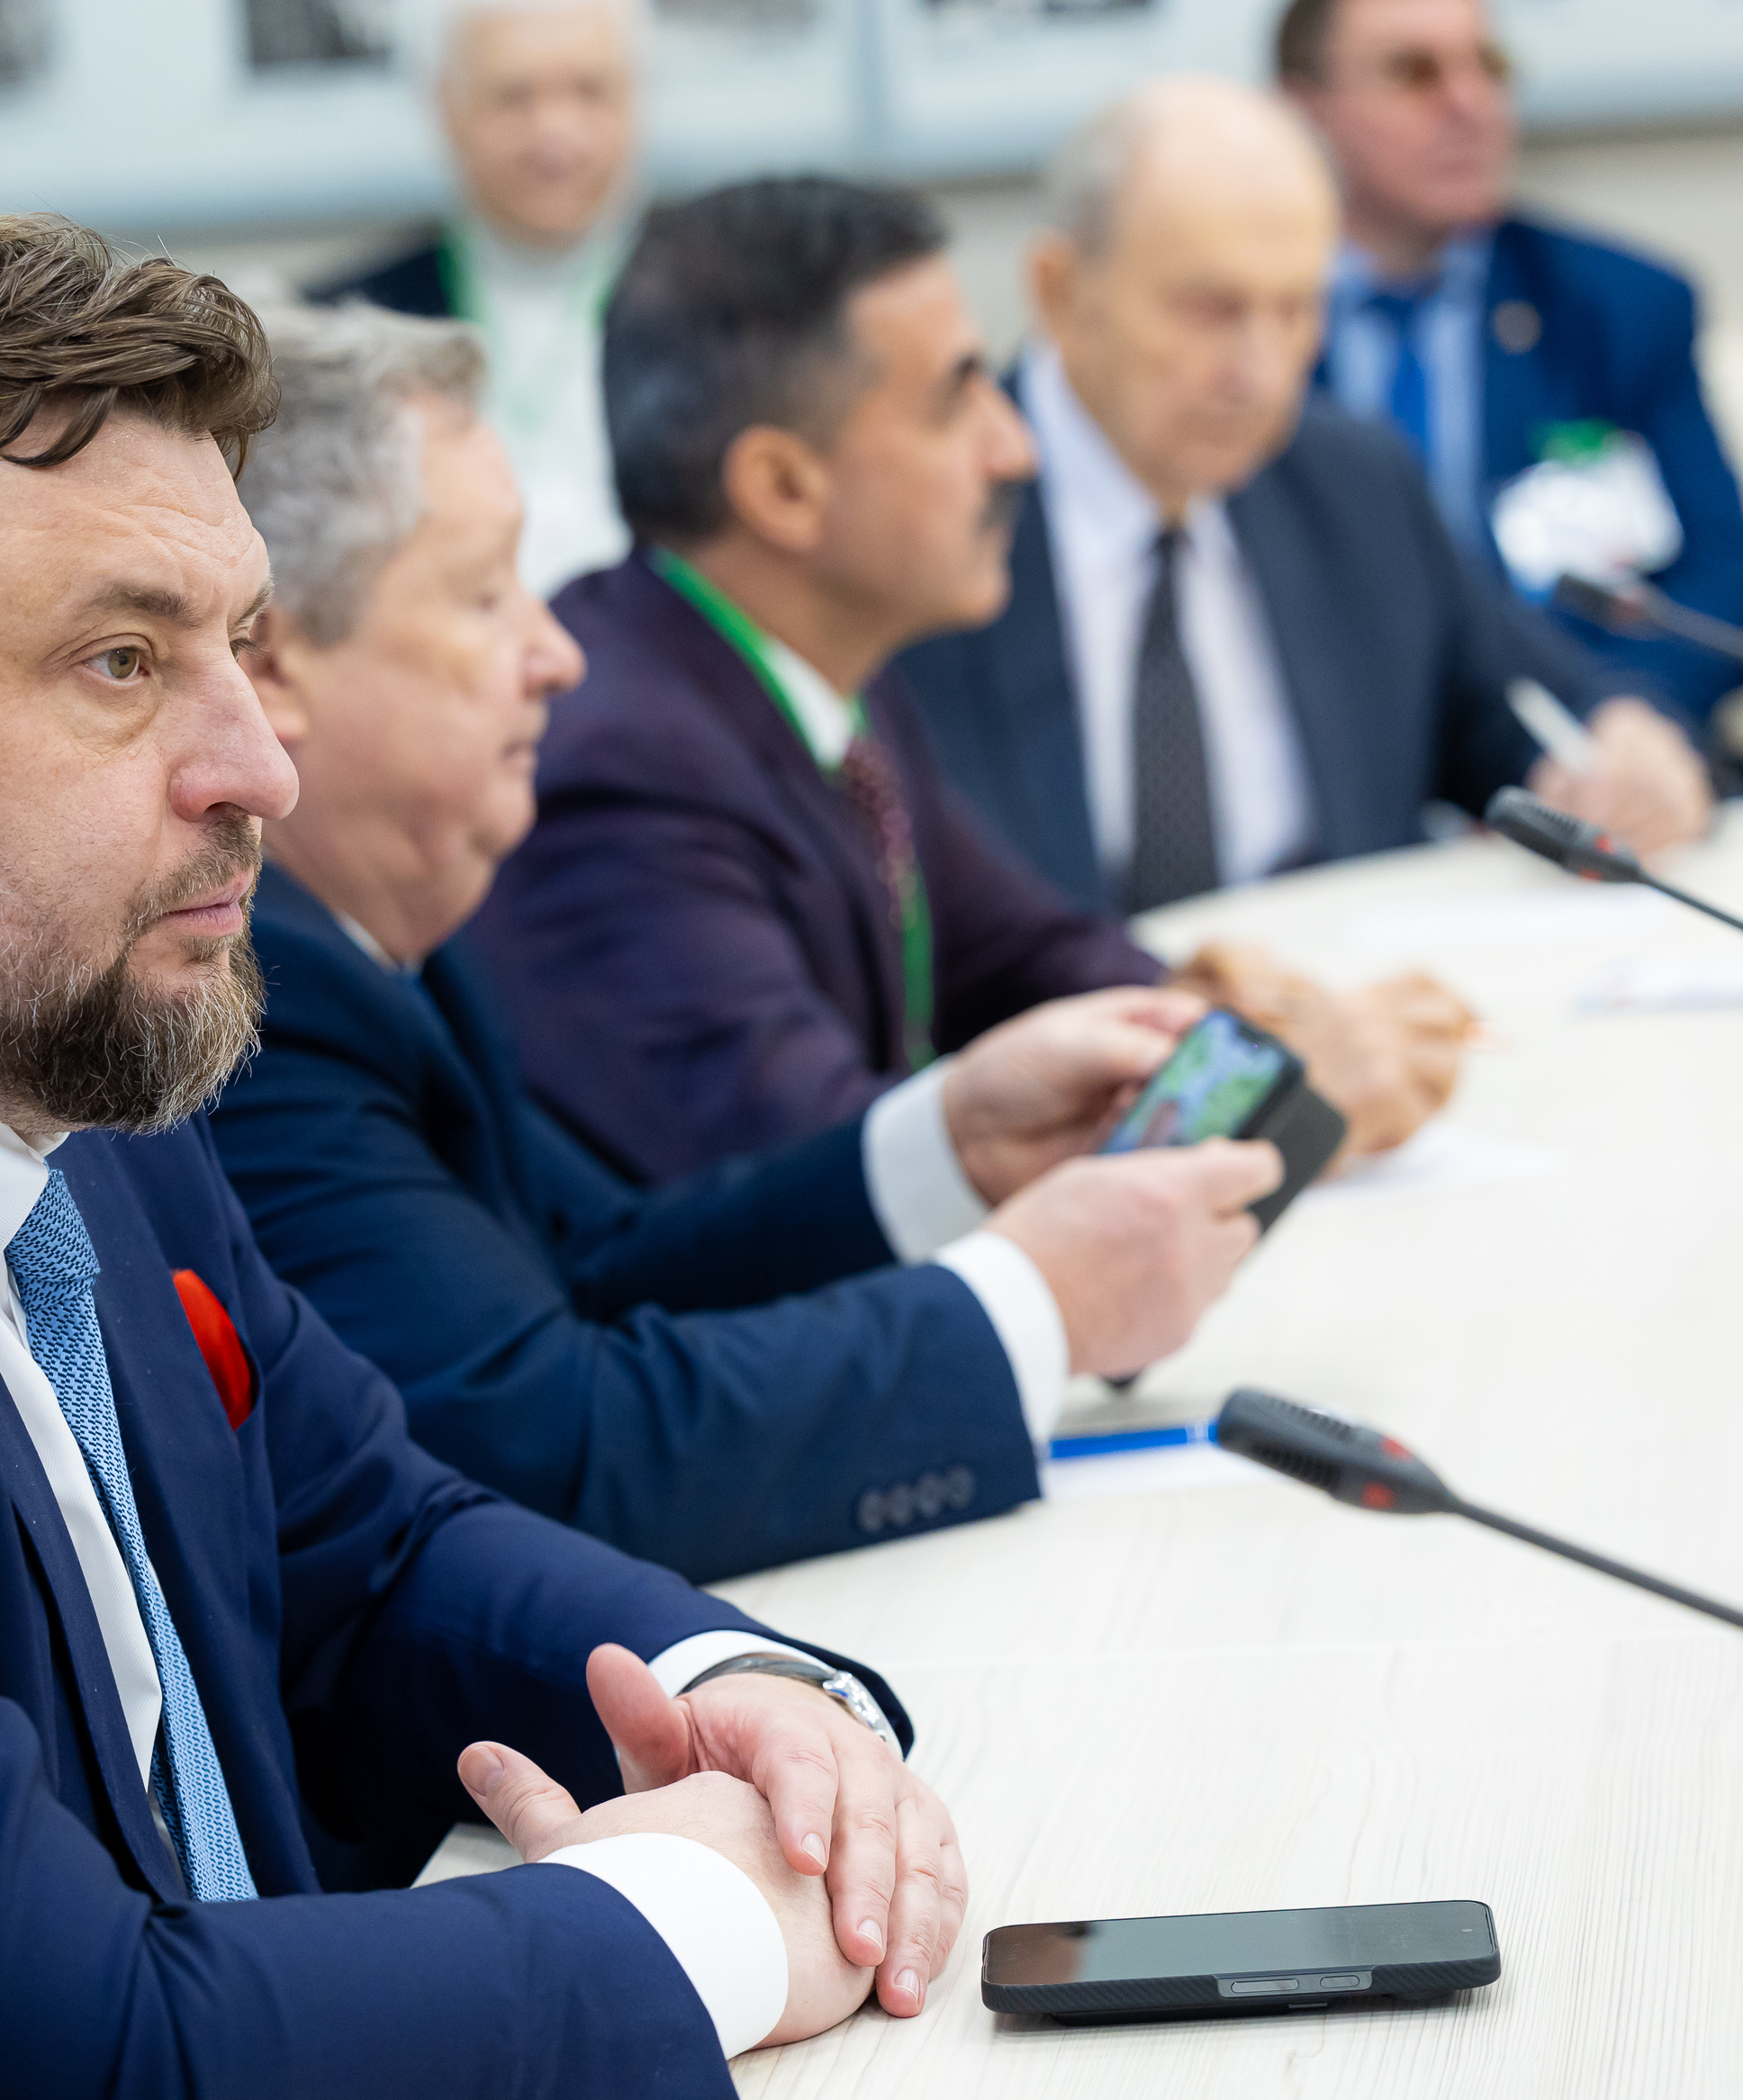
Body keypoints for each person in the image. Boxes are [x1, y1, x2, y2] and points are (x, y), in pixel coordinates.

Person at [0, 214, 970, 2100]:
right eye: (121, 661)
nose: (258, 766)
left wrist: (741, 1698)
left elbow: (374, 1543)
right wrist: (701, 1922)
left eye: (238, 644)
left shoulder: (17, 997)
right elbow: (54, 2045)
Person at [212, 300, 1279, 1581]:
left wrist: (951, 1145)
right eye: (487, 595)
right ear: (272, 661)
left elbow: (601, 1267)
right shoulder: (258, 988)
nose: (555, 654)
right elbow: (547, 1445)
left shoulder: (381, 935)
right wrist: (1031, 1304)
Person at [470, 176, 1469, 1189]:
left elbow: (1021, 953)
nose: (1015, 447)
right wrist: (1264, 1097)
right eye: (956, 402)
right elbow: (825, 1186)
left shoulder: (807, 674)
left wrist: (1205, 1012)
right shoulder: (623, 776)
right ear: (783, 488)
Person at [896, 77, 1712, 926]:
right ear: (1061, 292)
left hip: (1335, 990)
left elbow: (1536, 707)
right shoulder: (922, 515)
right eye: (1210, 310)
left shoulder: (1351, 482)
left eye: (1295, 310)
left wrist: (1625, 747)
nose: (1259, 372)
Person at [1279, 0, 1743, 730]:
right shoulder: (1242, 329)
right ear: (1306, 111)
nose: (1470, 103)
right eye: (1413, 73)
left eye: (1489, 66)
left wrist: (1619, 716)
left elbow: (1729, 588)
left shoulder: (1616, 307)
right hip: (1343, 759)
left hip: (1576, 737)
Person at [317, 0, 643, 594]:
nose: (554, 131)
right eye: (514, 97)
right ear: (445, 108)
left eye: (589, 91)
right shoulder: (343, 323)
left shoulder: (727, 304)